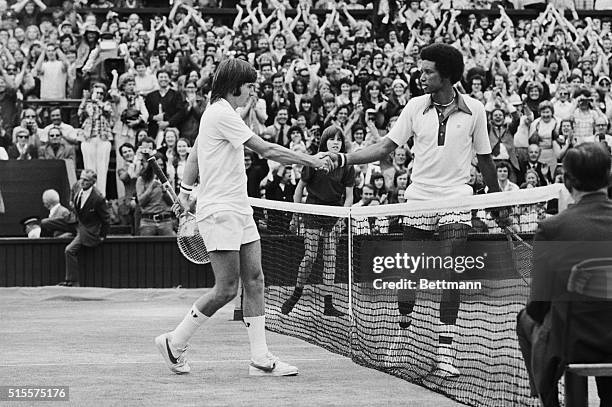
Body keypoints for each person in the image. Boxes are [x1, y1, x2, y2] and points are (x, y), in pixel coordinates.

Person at [324, 43, 504, 378]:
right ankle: (402, 335)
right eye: (420, 70)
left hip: (456, 199)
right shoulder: (413, 107)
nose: (420, 77)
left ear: (447, 75)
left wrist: (495, 201)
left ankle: (445, 350)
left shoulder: (476, 110)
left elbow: (486, 160)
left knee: (451, 273)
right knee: (409, 273)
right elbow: (384, 148)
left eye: (427, 71)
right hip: (419, 197)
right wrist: (345, 158)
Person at [155, 58, 331, 377]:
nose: (253, 92)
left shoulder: (222, 114)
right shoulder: (221, 112)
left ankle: (260, 359)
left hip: (239, 208)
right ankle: (174, 341)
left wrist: (183, 191)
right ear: (235, 85)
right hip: (221, 211)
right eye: (250, 86)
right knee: (226, 289)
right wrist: (311, 161)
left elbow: (194, 153)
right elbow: (265, 149)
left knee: (255, 280)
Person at [516, 143, 612, 407]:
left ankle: (548, 400)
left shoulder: (552, 228)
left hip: (574, 344)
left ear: (568, 181)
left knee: (525, 319)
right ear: (609, 177)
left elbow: (538, 307)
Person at [282, 126, 355, 317]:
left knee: (330, 256)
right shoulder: (314, 162)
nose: (336, 142)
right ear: (325, 142)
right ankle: (296, 294)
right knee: (311, 256)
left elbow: (349, 196)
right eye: (332, 139)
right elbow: (299, 190)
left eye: (339, 139)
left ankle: (328, 304)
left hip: (333, 211)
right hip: (313, 210)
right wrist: (295, 214)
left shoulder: (347, 165)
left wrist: (342, 216)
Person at [58, 169, 110, 287]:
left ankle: (72, 281)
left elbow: (106, 219)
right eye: (81, 178)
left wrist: (102, 236)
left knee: (69, 250)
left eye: (86, 180)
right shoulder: (77, 186)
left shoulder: (98, 198)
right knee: (47, 223)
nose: (82, 182)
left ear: (93, 182)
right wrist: (71, 202)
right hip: (75, 222)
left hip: (87, 229)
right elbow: (73, 191)